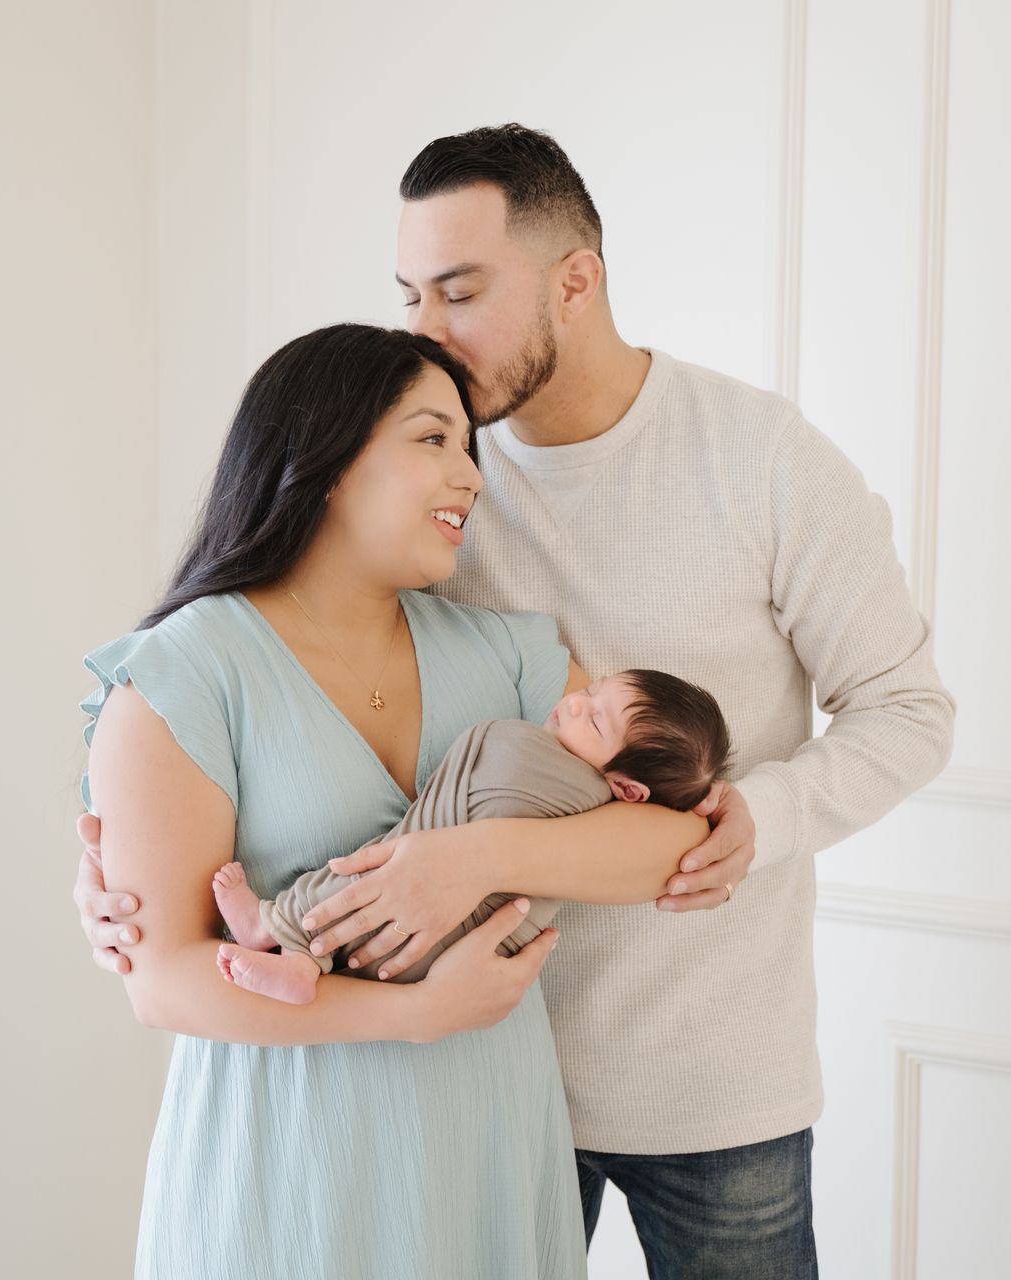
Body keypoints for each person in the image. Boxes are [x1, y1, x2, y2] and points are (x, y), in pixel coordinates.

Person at [76, 124, 957, 1278]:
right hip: (484, 1080)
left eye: (459, 292)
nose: (424, 333)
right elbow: (259, 682)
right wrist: (124, 873)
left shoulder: (760, 461)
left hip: (706, 1067)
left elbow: (908, 710)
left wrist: (756, 819)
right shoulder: (433, 493)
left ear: (574, 281)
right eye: (409, 295)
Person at [77, 321, 721, 1278]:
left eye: (470, 447)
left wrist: (475, 859)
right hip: (285, 1172)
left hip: (486, 1151)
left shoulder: (506, 654)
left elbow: (665, 844)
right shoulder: (188, 671)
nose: (470, 475)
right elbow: (162, 980)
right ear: (326, 458)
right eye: (433, 441)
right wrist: (408, 1014)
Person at [212, 667, 734, 1004]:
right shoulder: (598, 817)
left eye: (595, 722)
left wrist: (479, 855)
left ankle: (273, 928)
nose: (574, 702)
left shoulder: (565, 786)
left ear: (629, 791)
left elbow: (678, 847)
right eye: (590, 690)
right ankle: (302, 964)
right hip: (438, 970)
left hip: (450, 954)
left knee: (366, 871)